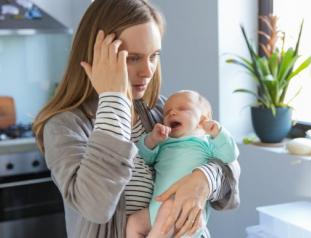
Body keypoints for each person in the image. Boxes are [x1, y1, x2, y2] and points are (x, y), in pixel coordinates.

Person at [32, 1, 241, 238]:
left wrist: (203, 179)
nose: (148, 71)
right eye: (133, 58)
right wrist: (113, 99)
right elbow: (95, 206)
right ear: (96, 57)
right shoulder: (65, 127)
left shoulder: (160, 111)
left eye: (154, 56)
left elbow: (229, 179)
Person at [126, 90, 239, 238]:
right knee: (134, 222)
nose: (171, 113)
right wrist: (152, 140)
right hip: (154, 211)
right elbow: (144, 158)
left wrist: (219, 133)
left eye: (182, 109)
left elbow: (229, 157)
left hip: (184, 213)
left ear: (203, 119)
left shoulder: (207, 142)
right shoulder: (164, 142)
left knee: (168, 207)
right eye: (166, 112)